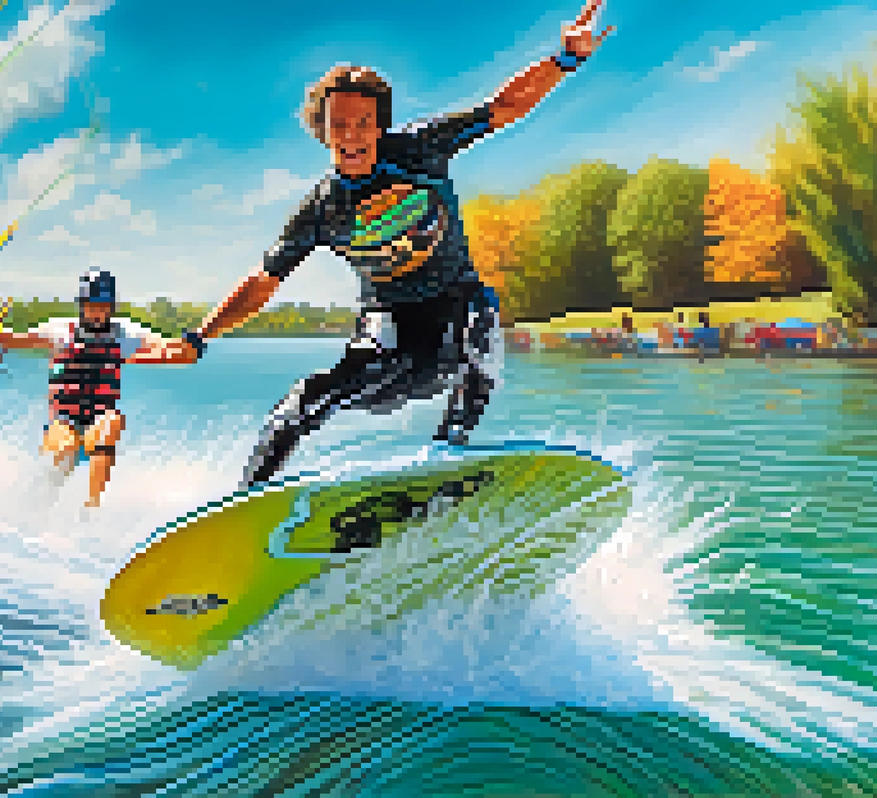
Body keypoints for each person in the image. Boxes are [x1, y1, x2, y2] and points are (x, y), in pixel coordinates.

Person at [179, 0, 613, 490]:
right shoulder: (321, 208)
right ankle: (244, 501)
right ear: (321, 132)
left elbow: (504, 108)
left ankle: (448, 455)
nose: (351, 136)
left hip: (455, 311)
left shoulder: (420, 149)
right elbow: (263, 283)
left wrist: (565, 59)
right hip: (389, 331)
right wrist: (199, 336)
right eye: (338, 125)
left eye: (363, 122)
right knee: (308, 398)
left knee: (480, 322)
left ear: (380, 125)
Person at [0, 268, 198, 507]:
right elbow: (18, 338)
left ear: (111, 306)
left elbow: (168, 347)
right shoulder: (60, 331)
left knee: (112, 421)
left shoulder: (125, 334)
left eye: (103, 305)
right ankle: (37, 507)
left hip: (99, 420)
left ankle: (90, 509)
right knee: (62, 456)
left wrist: (189, 344)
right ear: (82, 304)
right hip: (64, 421)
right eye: (92, 304)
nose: (98, 311)